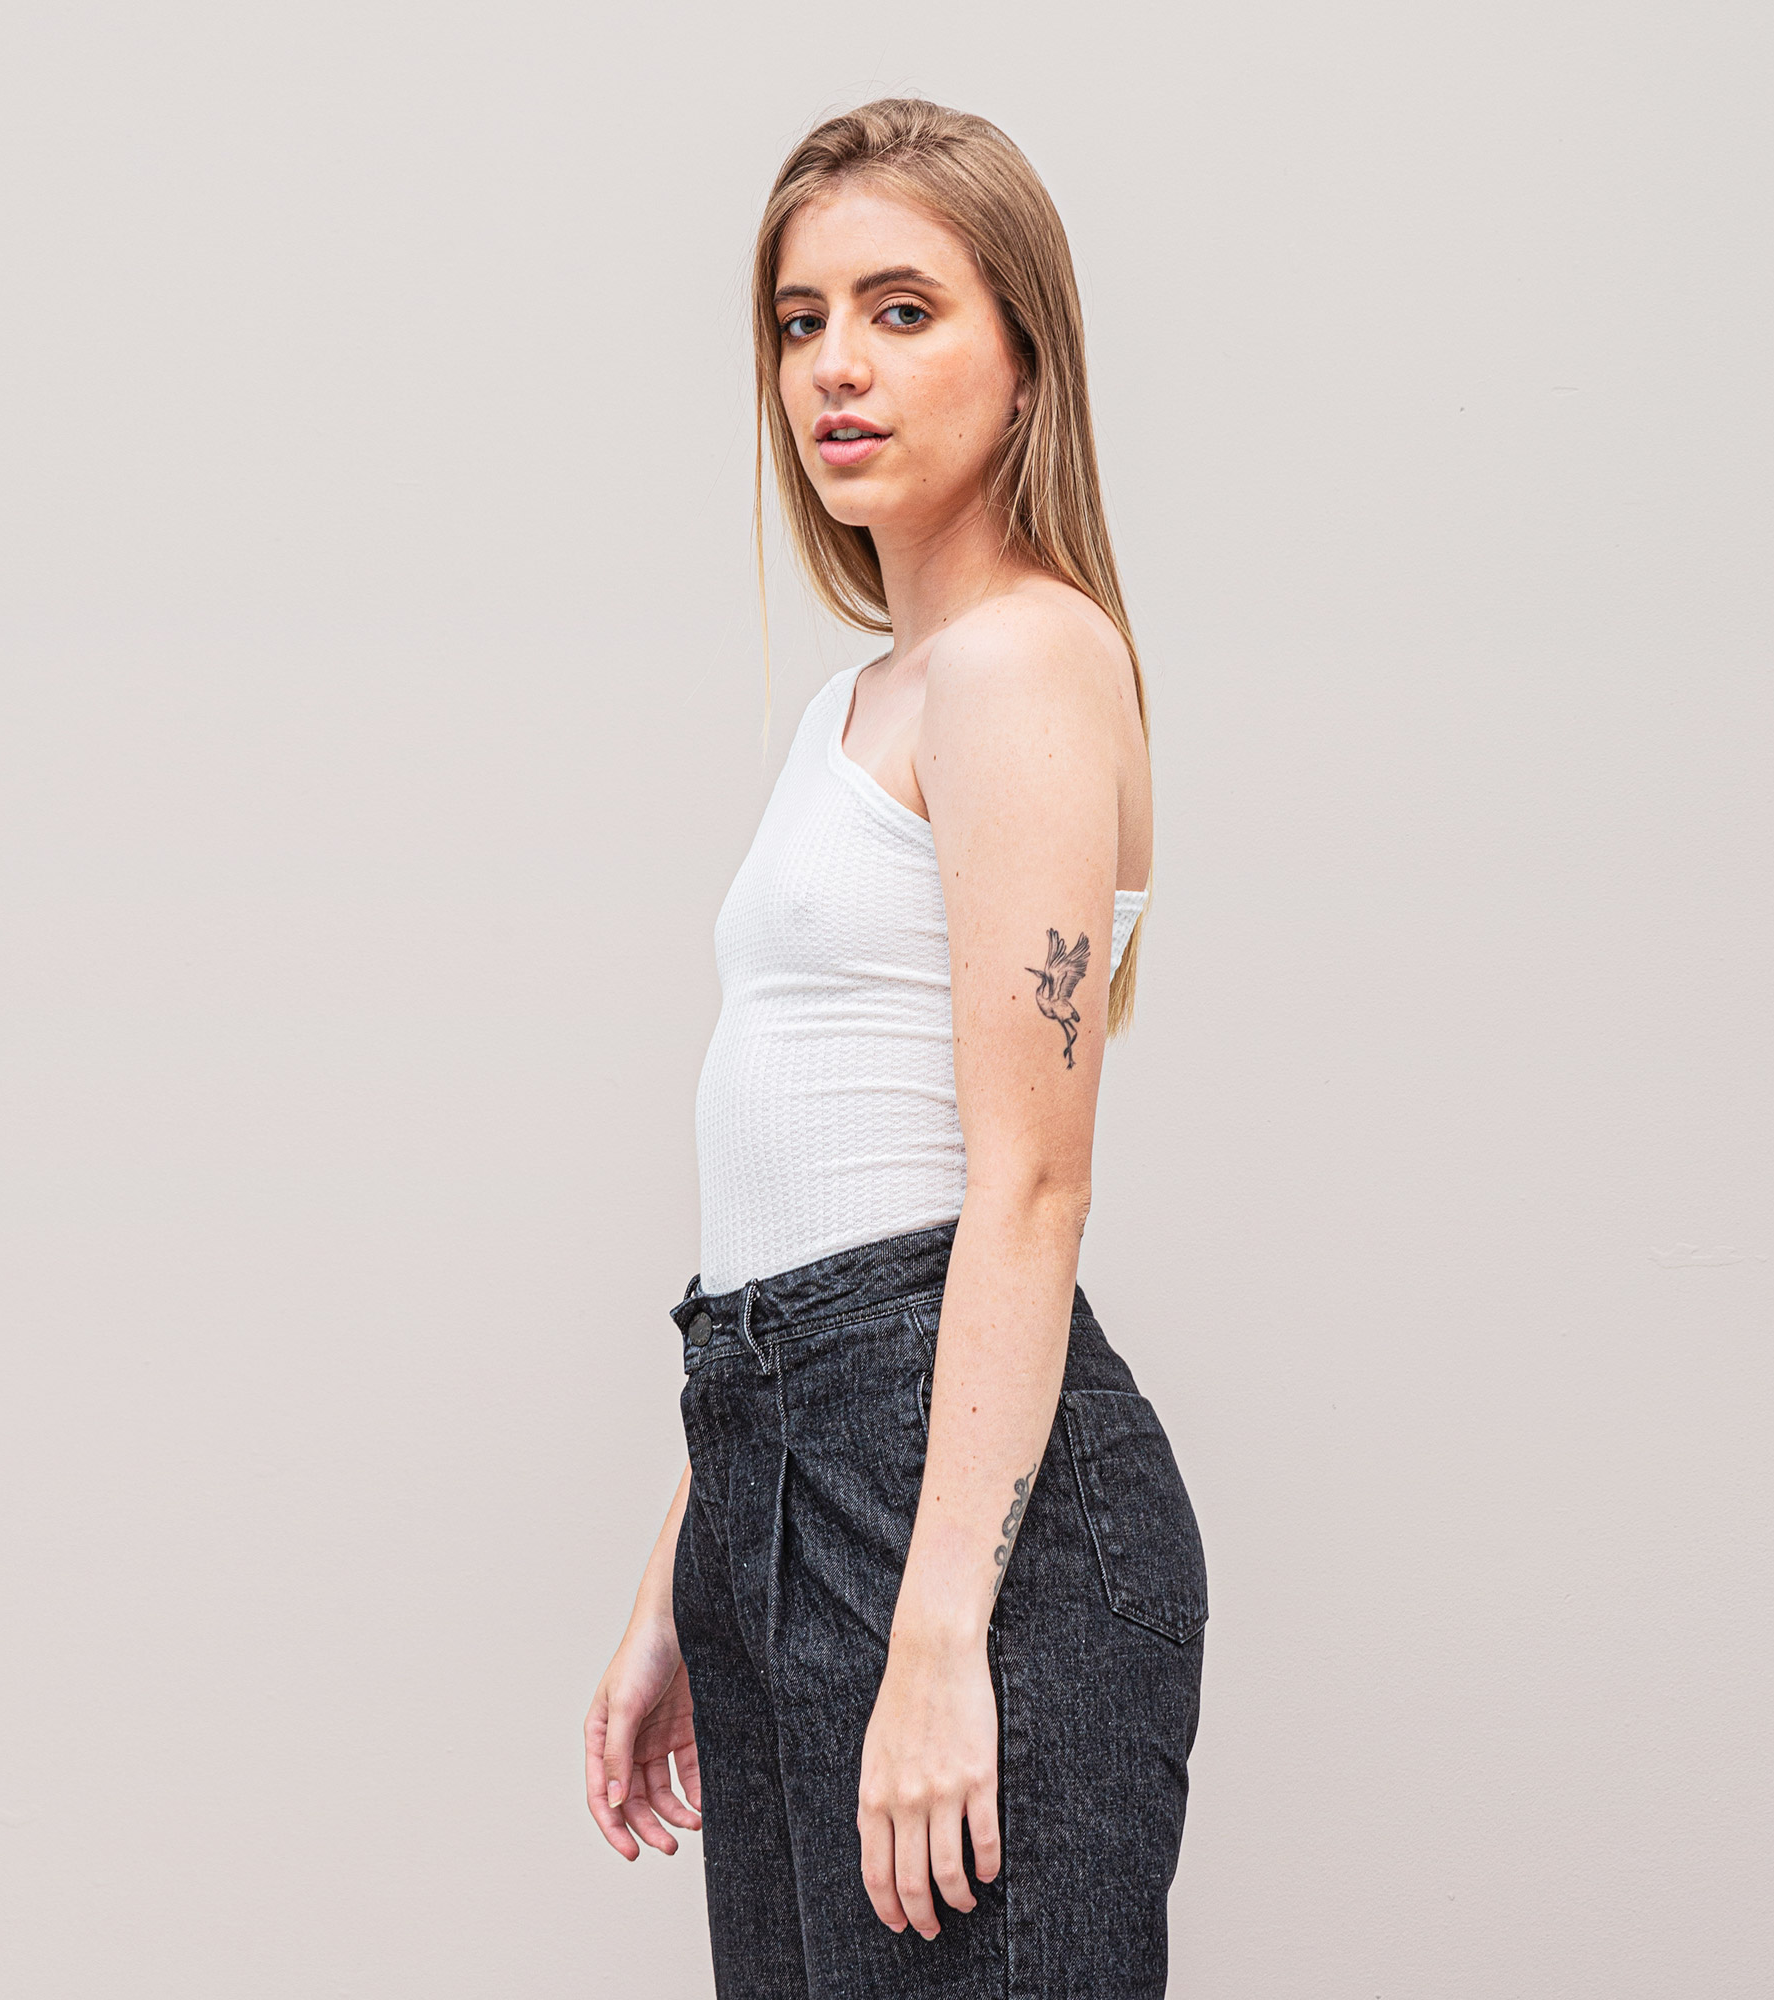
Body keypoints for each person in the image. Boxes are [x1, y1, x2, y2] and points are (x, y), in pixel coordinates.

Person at [584, 98, 1208, 1999]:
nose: (835, 367)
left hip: (950, 1502)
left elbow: (1027, 1186)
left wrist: (942, 1635)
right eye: (801, 321)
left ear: (1026, 363)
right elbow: (793, 1177)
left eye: (902, 310)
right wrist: (686, 1574)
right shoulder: (861, 705)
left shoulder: (1028, 661)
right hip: (776, 1459)